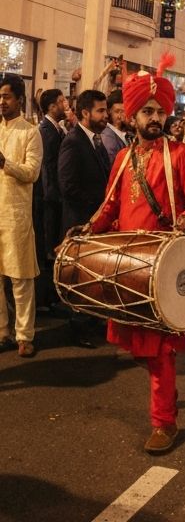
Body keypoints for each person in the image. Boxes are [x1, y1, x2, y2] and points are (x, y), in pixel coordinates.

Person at [78, 58, 185, 452]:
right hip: (127, 268)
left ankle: (164, 423)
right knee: (141, 350)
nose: (155, 117)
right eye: (147, 111)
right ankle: (168, 401)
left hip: (162, 266)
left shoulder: (179, 155)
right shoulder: (124, 158)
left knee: (159, 353)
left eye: (160, 110)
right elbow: (109, 206)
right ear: (132, 115)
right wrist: (90, 229)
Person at [57, 89, 111, 348]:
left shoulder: (96, 140)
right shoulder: (73, 141)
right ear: (85, 113)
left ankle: (92, 321)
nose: (106, 115)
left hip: (95, 223)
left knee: (93, 275)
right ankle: (78, 327)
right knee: (78, 277)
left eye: (106, 110)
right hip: (79, 221)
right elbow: (67, 186)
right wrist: (96, 207)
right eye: (101, 111)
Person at [0, 74, 43, 358]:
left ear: (20, 100)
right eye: (0, 97)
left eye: (7, 97)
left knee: (20, 278)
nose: (2, 102)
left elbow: (32, 173)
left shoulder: (30, 132)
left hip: (15, 215)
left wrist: (5, 163)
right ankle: (2, 331)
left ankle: (24, 335)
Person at [35, 88, 67, 314]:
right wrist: (52, 196)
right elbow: (47, 166)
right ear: (51, 107)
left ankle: (49, 297)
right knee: (49, 247)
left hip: (53, 197)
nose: (65, 104)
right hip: (50, 199)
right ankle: (45, 300)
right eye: (61, 101)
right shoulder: (46, 131)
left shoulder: (57, 129)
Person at [101, 89, 130, 164]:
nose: (120, 116)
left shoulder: (128, 132)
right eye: (117, 112)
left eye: (123, 112)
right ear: (109, 111)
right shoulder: (107, 136)